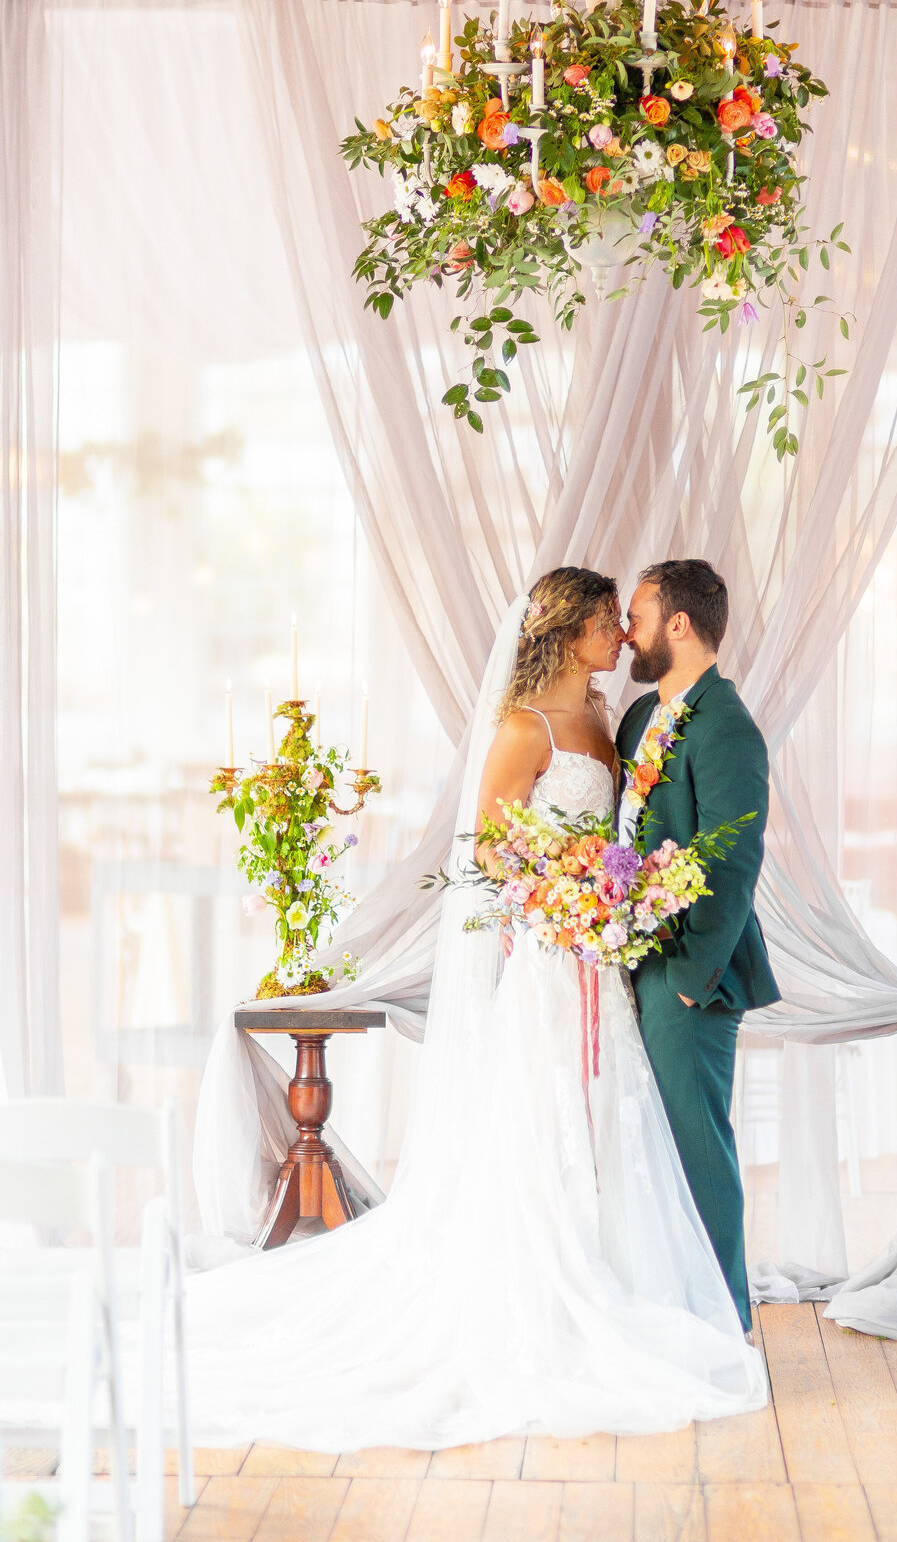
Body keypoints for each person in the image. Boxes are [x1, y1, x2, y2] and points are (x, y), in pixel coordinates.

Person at [182, 566, 766, 1452]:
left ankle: (671, 1298)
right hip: (554, 960)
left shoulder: (628, 723)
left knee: (628, 1127)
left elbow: (684, 848)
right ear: (573, 633)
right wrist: (563, 893)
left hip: (617, 964)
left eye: (631, 618)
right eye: (612, 620)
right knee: (545, 1127)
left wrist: (619, 918)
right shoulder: (540, 727)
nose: (623, 634)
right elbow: (494, 854)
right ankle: (554, 1297)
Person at [617, 560, 780, 1334]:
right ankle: (662, 1307)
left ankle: (724, 1320)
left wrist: (687, 976)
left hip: (691, 974)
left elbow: (731, 861)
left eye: (640, 614)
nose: (628, 630)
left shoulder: (726, 727)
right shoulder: (639, 717)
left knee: (695, 1147)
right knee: (642, 1146)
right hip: (629, 962)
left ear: (679, 624)